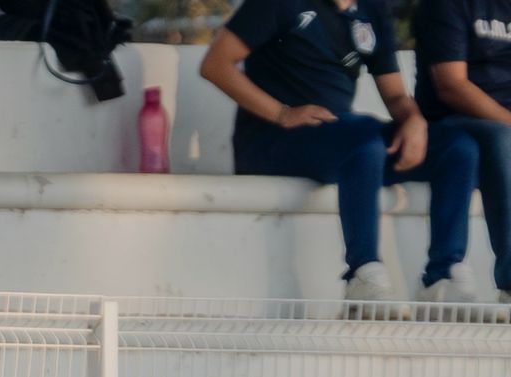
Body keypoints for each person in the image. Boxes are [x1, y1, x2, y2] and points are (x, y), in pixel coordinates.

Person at [200, 0, 482, 309]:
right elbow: (215, 65)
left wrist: (413, 121)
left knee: (457, 148)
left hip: (343, 140)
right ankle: (362, 274)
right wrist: (282, 113)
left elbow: (395, 95)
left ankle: (441, 277)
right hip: (272, 141)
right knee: (364, 140)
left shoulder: (371, 11)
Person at [414, 0, 511, 304]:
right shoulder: (447, 6)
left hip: (503, 128)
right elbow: (451, 85)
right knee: (501, 139)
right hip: (452, 122)